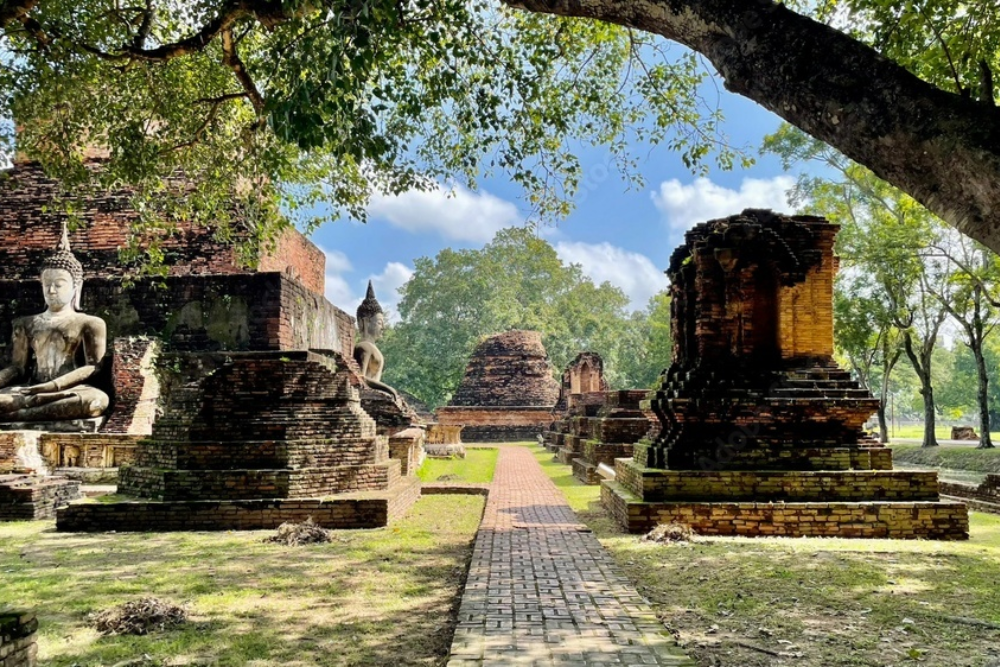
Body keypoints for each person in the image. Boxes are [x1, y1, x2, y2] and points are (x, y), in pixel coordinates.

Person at [0, 226, 109, 423]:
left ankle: (21, 416)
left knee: (97, 401)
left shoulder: (90, 323)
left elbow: (94, 366)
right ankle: (26, 411)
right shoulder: (25, 323)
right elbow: (17, 368)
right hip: (27, 390)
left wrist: (53, 386)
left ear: (76, 286)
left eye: (58, 284)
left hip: (68, 390)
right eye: (46, 284)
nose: (51, 290)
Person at [353, 281, 398, 399]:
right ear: (365, 321)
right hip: (365, 398)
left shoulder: (373, 348)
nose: (383, 327)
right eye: (379, 323)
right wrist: (388, 388)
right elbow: (360, 378)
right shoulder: (363, 347)